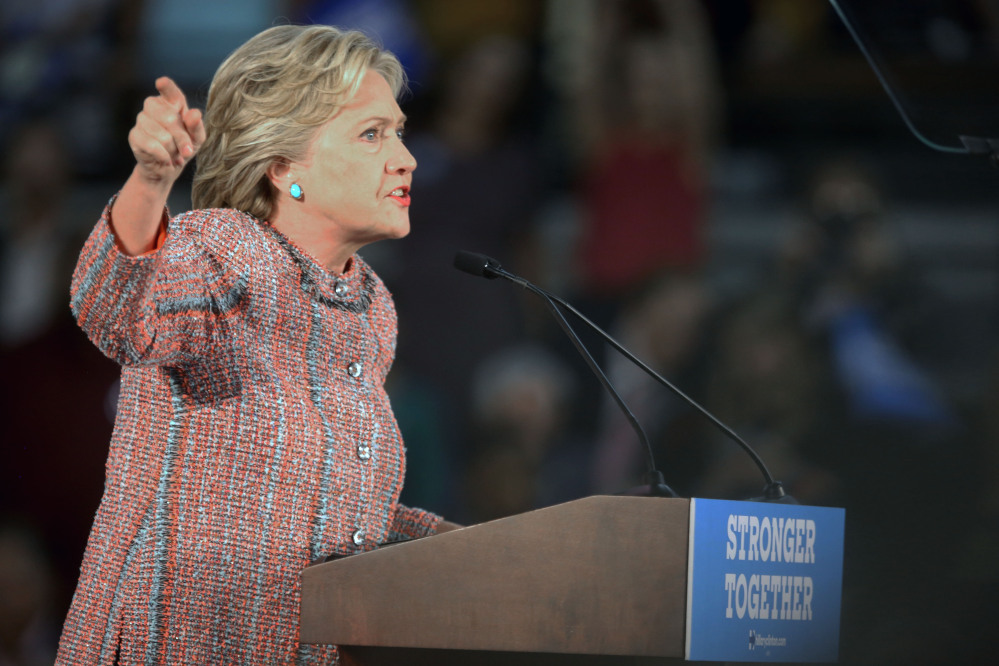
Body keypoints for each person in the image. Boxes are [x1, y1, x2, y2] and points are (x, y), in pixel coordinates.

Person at [57, 24, 458, 665]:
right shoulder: (226, 249)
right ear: (282, 166)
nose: (405, 157)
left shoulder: (369, 304)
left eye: (400, 130)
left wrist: (465, 546)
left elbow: (335, 502)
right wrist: (152, 181)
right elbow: (116, 310)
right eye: (371, 133)